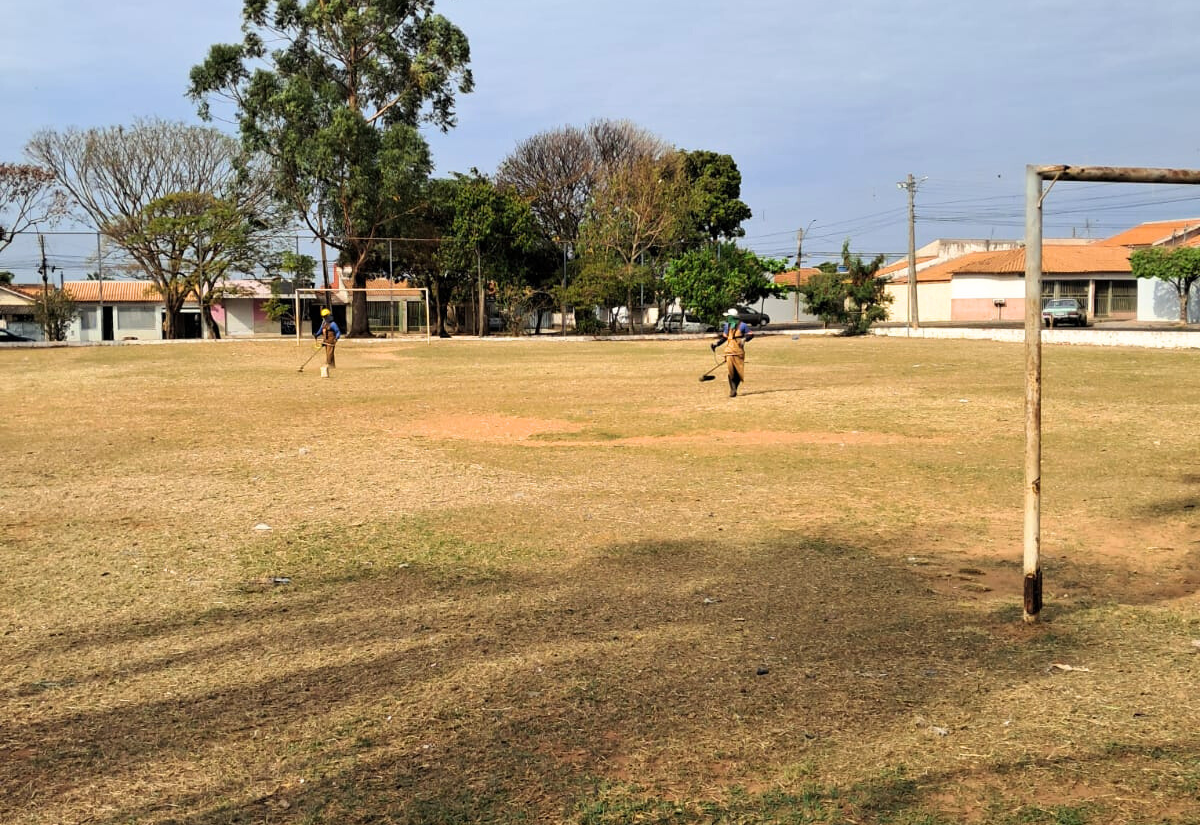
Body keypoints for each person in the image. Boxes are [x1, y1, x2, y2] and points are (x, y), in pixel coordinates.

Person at [712, 308, 753, 397]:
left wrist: (744, 339)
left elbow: (751, 334)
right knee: (731, 371)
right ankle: (732, 389)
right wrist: (716, 344)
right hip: (729, 351)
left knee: (738, 372)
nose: (727, 318)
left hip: (739, 352)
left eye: (728, 316)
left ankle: (735, 388)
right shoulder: (727, 326)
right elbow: (724, 338)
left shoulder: (743, 326)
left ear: (732, 317)